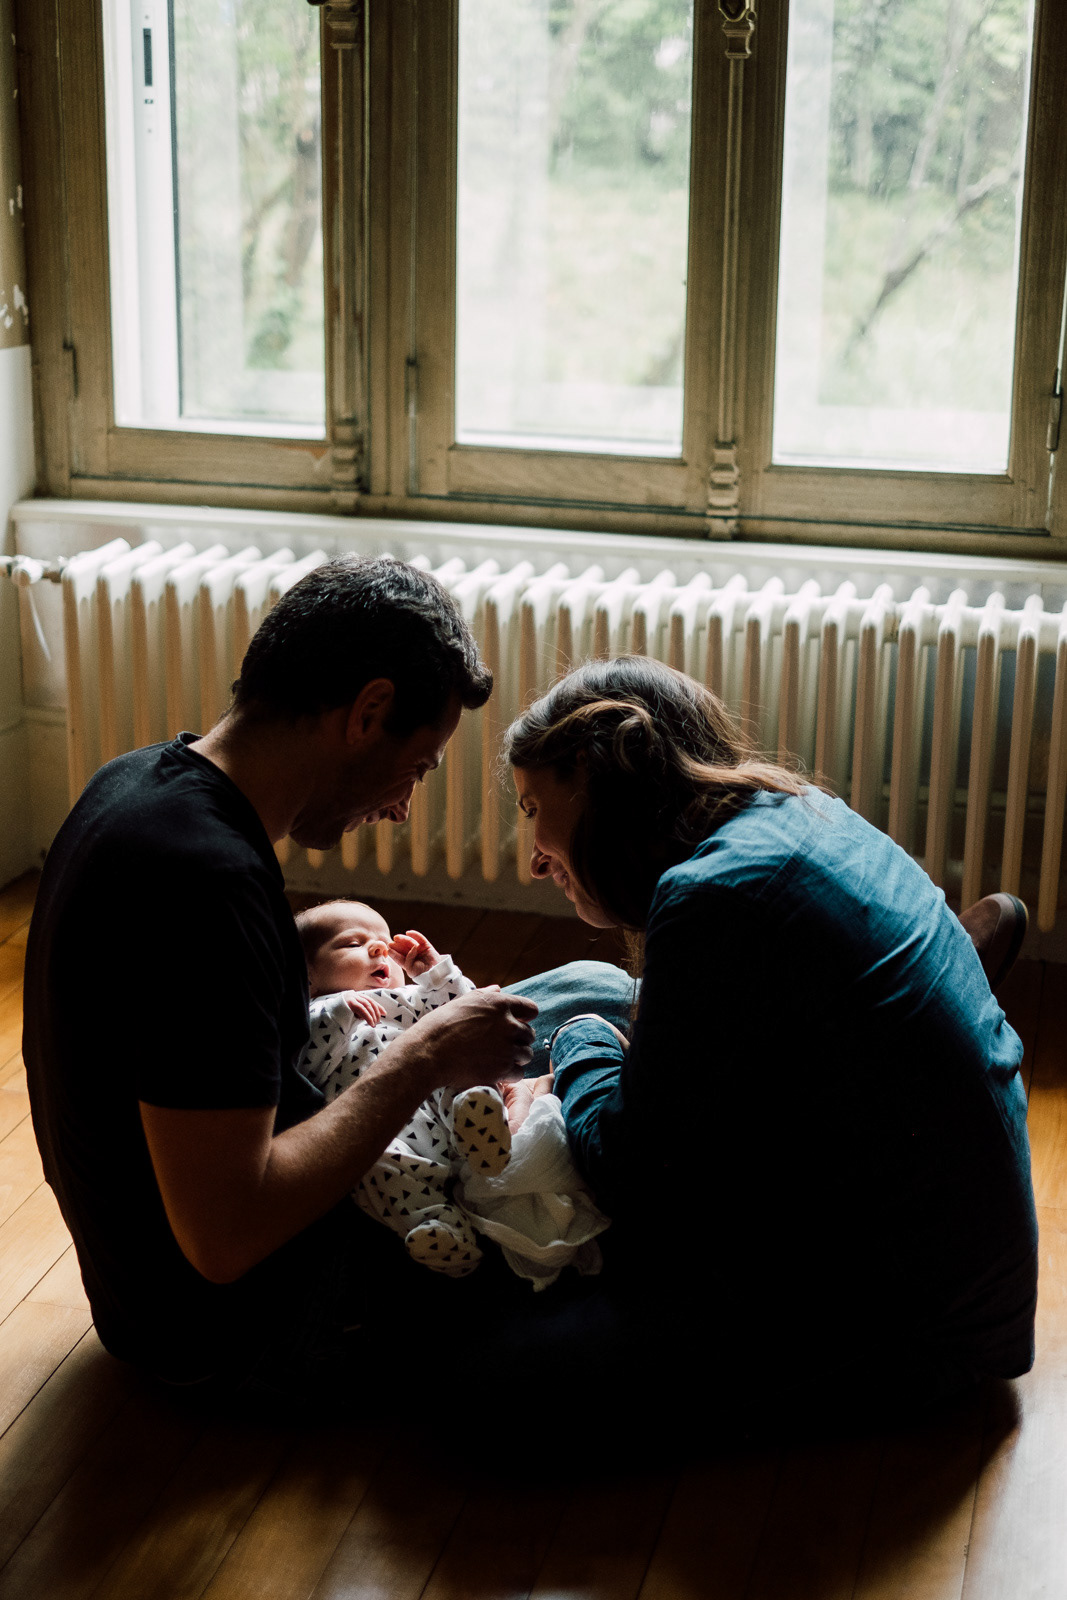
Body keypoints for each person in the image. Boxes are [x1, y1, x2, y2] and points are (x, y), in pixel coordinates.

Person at [24, 555, 605, 1404]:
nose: (403, 806)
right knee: (595, 1025)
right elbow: (224, 1237)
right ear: (367, 712)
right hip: (244, 1330)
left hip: (148, 1300)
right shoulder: (206, 885)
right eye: (418, 765)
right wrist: (418, 1055)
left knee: (581, 991)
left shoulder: (139, 784)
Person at [502, 655, 1038, 1418]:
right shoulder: (793, 809)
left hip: (921, 1329)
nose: (531, 859)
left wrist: (584, 1044)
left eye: (531, 808)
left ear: (594, 780)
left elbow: (629, 1175)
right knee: (597, 995)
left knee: (495, 1379)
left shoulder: (707, 898)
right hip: (958, 1270)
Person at [296, 898, 609, 1287]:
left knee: (470, 1081)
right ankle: (437, 1226)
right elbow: (309, 1064)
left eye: (382, 940)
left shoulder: (406, 999)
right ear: (305, 973)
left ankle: (480, 1132)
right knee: (382, 1173)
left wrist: (437, 974)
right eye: (352, 943)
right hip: (384, 1129)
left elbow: (472, 1011)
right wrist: (339, 1010)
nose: (378, 948)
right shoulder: (316, 1014)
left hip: (440, 1098)